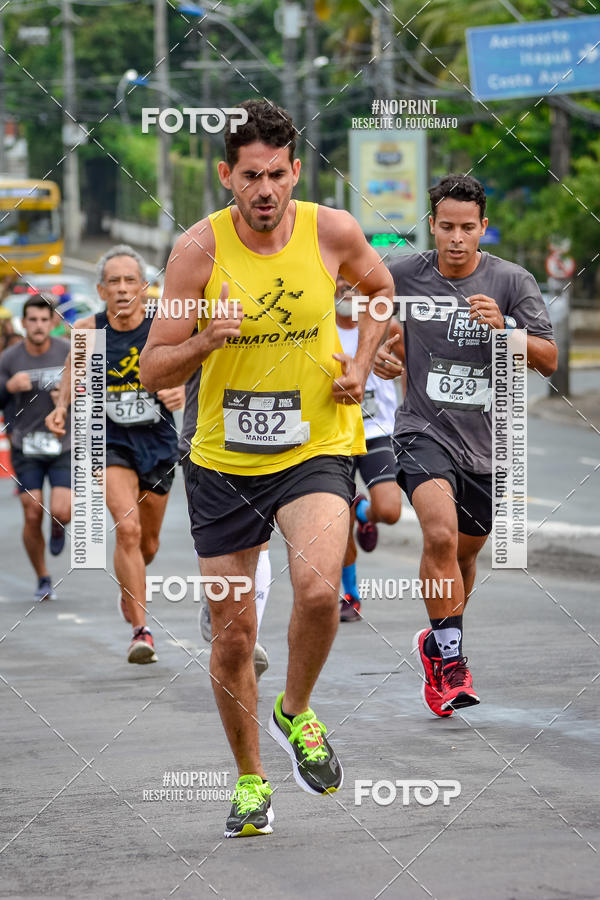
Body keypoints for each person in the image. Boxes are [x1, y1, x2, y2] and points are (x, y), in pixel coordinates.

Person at [139, 99, 394, 837]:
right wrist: (205, 341)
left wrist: (365, 358)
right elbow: (155, 364)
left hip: (313, 446)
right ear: (226, 176)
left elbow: (380, 294)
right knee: (232, 634)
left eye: (277, 175)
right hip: (221, 461)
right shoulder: (197, 249)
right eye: (250, 176)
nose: (265, 191)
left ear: (294, 173)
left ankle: (296, 709)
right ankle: (251, 781)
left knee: (318, 591)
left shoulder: (333, 230)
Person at [383, 174, 557, 717]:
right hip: (421, 430)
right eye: (445, 227)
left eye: (467, 228)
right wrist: (376, 356)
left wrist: (504, 328)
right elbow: (351, 311)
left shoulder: (512, 282)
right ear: (430, 225)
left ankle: (437, 639)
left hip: (487, 444)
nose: (456, 238)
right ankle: (452, 662)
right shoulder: (402, 274)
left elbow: (549, 359)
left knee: (462, 554)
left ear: (483, 227)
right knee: (438, 533)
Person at [46, 245, 184, 664]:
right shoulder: (89, 328)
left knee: (149, 542)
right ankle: (141, 631)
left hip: (158, 441)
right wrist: (61, 407)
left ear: (144, 286)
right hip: (108, 441)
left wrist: (182, 387)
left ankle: (132, 586)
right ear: (101, 289)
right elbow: (74, 367)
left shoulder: (164, 326)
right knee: (127, 531)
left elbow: (194, 361)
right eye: (114, 282)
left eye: (130, 281)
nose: (123, 289)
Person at [177, 365, 271, 678]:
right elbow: (158, 357)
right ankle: (213, 597)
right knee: (213, 540)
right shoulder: (196, 315)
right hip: (202, 440)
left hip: (264, 434)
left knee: (260, 538)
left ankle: (249, 638)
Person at [335, 275, 404, 622]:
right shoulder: (318, 327)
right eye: (339, 280)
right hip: (335, 434)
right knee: (338, 520)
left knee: (390, 510)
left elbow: (411, 367)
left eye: (353, 281)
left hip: (377, 431)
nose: (347, 288)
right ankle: (350, 594)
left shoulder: (385, 325)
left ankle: (365, 513)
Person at [0, 295, 71, 601]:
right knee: (31, 512)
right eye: (33, 320)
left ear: (53, 322)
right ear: (24, 322)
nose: (39, 326)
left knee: (61, 510)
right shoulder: (9, 358)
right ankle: (43, 577)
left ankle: (58, 526)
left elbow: (93, 390)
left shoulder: (68, 351)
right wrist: (7, 387)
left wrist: (68, 398)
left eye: (45, 320)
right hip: (25, 445)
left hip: (63, 443)